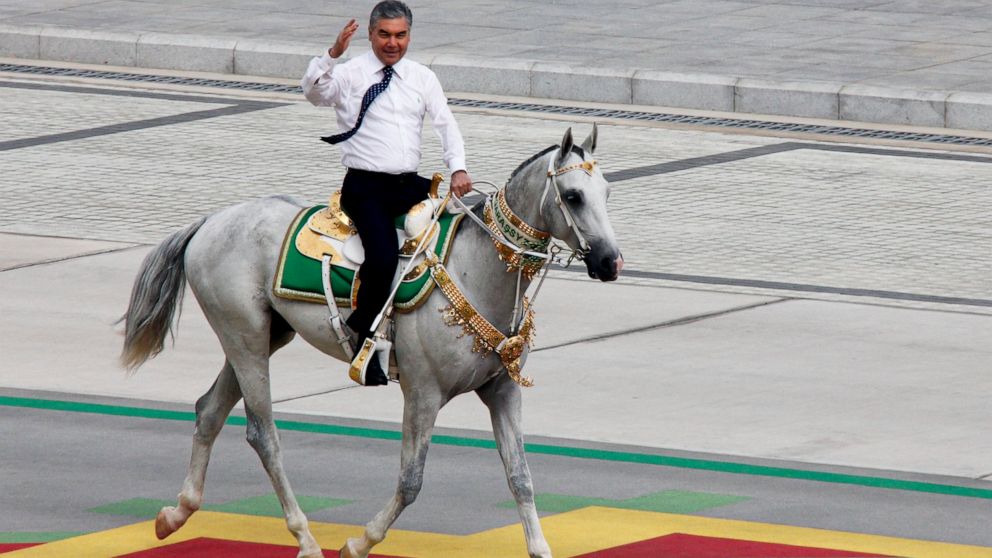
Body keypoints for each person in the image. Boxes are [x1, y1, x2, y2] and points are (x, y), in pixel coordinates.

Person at [301, 0, 472, 386]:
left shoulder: (421, 77)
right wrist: (331, 56)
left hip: (408, 184)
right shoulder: (349, 74)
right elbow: (312, 92)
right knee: (381, 258)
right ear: (370, 34)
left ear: (409, 35)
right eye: (384, 35)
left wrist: (458, 166)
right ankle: (364, 335)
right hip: (366, 189)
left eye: (400, 35)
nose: (392, 43)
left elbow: (446, 123)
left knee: (454, 241)